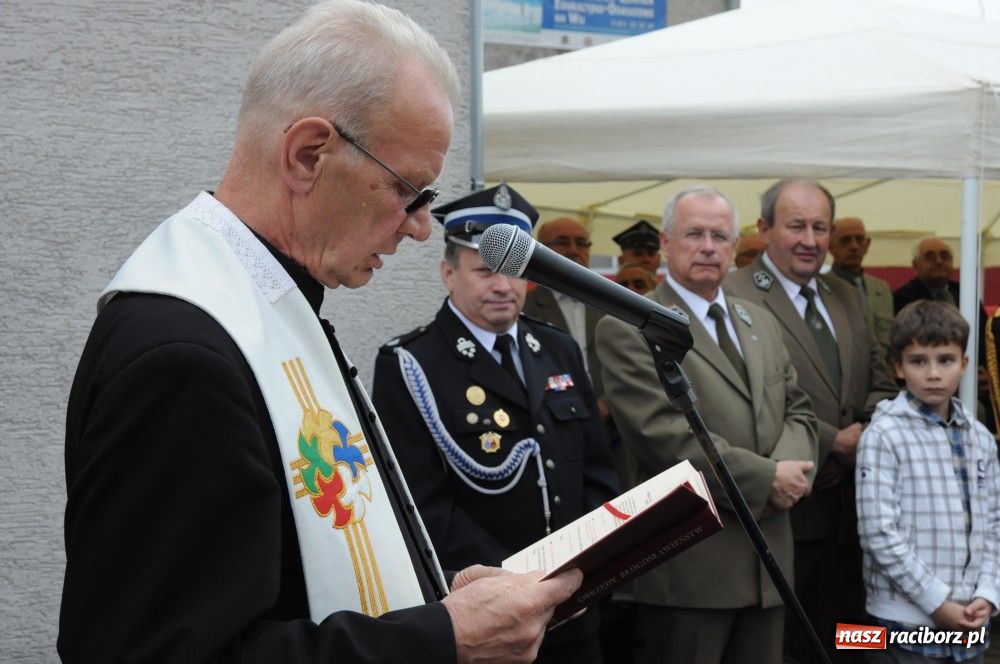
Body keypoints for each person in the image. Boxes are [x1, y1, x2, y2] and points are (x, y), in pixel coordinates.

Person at [59, 4, 582, 663]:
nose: (421, 227)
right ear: (308, 155)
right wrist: (444, 637)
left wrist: (433, 596)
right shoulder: (186, 357)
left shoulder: (264, 306)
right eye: (410, 192)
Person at [372, 184, 618, 663]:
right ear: (448, 274)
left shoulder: (557, 349)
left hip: (576, 608)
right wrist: (521, 585)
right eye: (485, 271)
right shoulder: (412, 364)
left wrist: (586, 573)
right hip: (487, 614)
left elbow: (596, 471)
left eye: (513, 271)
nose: (503, 286)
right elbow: (421, 506)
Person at [597, 185, 818, 664]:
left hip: (770, 564)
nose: (708, 246)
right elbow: (666, 437)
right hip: (694, 567)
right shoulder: (630, 327)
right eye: (694, 233)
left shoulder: (759, 320)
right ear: (666, 241)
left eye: (720, 236)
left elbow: (799, 408)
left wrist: (788, 472)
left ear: (734, 247)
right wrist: (766, 480)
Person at [724, 179, 897, 663]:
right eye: (796, 225)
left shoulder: (845, 295)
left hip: (856, 517)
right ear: (763, 229)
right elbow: (745, 404)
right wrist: (832, 442)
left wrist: (867, 431)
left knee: (849, 642)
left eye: (820, 227)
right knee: (781, 648)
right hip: (786, 515)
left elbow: (882, 379)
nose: (810, 240)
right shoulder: (734, 296)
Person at [857, 300, 999, 663]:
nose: (933, 373)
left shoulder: (980, 437)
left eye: (946, 360)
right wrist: (937, 603)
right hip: (904, 621)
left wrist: (988, 592)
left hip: (970, 618)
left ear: (965, 365)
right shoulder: (883, 435)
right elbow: (878, 532)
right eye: (919, 361)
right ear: (898, 368)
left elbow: (995, 524)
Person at [523, 217, 604, 390]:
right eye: (563, 242)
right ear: (542, 250)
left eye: (581, 243)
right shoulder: (525, 307)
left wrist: (607, 403)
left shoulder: (608, 305)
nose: (574, 250)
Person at [829, 216, 894, 359]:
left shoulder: (881, 289)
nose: (854, 246)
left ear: (867, 244)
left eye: (859, 240)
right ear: (830, 246)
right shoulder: (820, 288)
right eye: (845, 240)